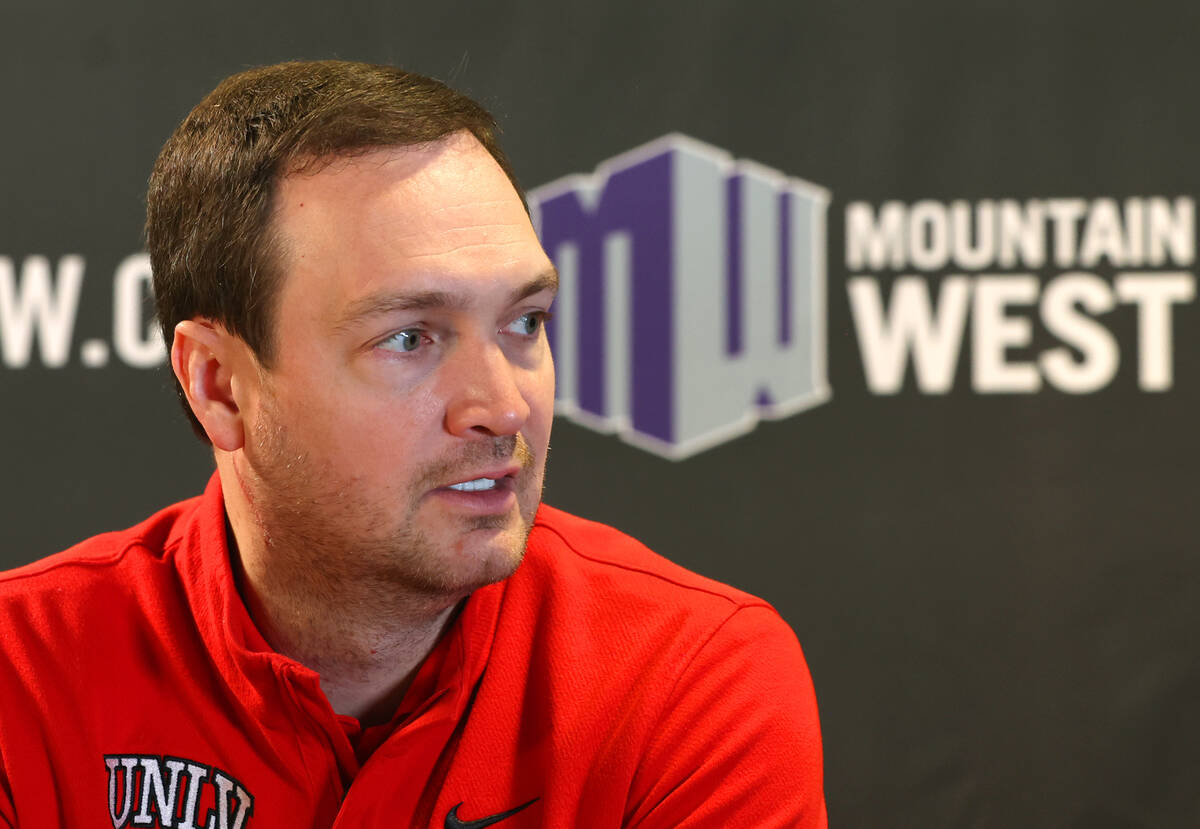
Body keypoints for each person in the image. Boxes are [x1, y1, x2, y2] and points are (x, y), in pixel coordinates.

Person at [0, 60, 826, 828]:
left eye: (524, 322)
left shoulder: (687, 680)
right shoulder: (20, 677)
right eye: (410, 339)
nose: (503, 407)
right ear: (219, 384)